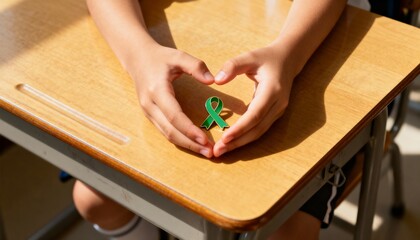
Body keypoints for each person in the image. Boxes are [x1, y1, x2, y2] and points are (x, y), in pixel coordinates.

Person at [73, 0, 370, 239]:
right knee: (94, 198)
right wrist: (138, 55)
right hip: (175, 54)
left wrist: (289, 56)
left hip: (317, 58)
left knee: (285, 228)